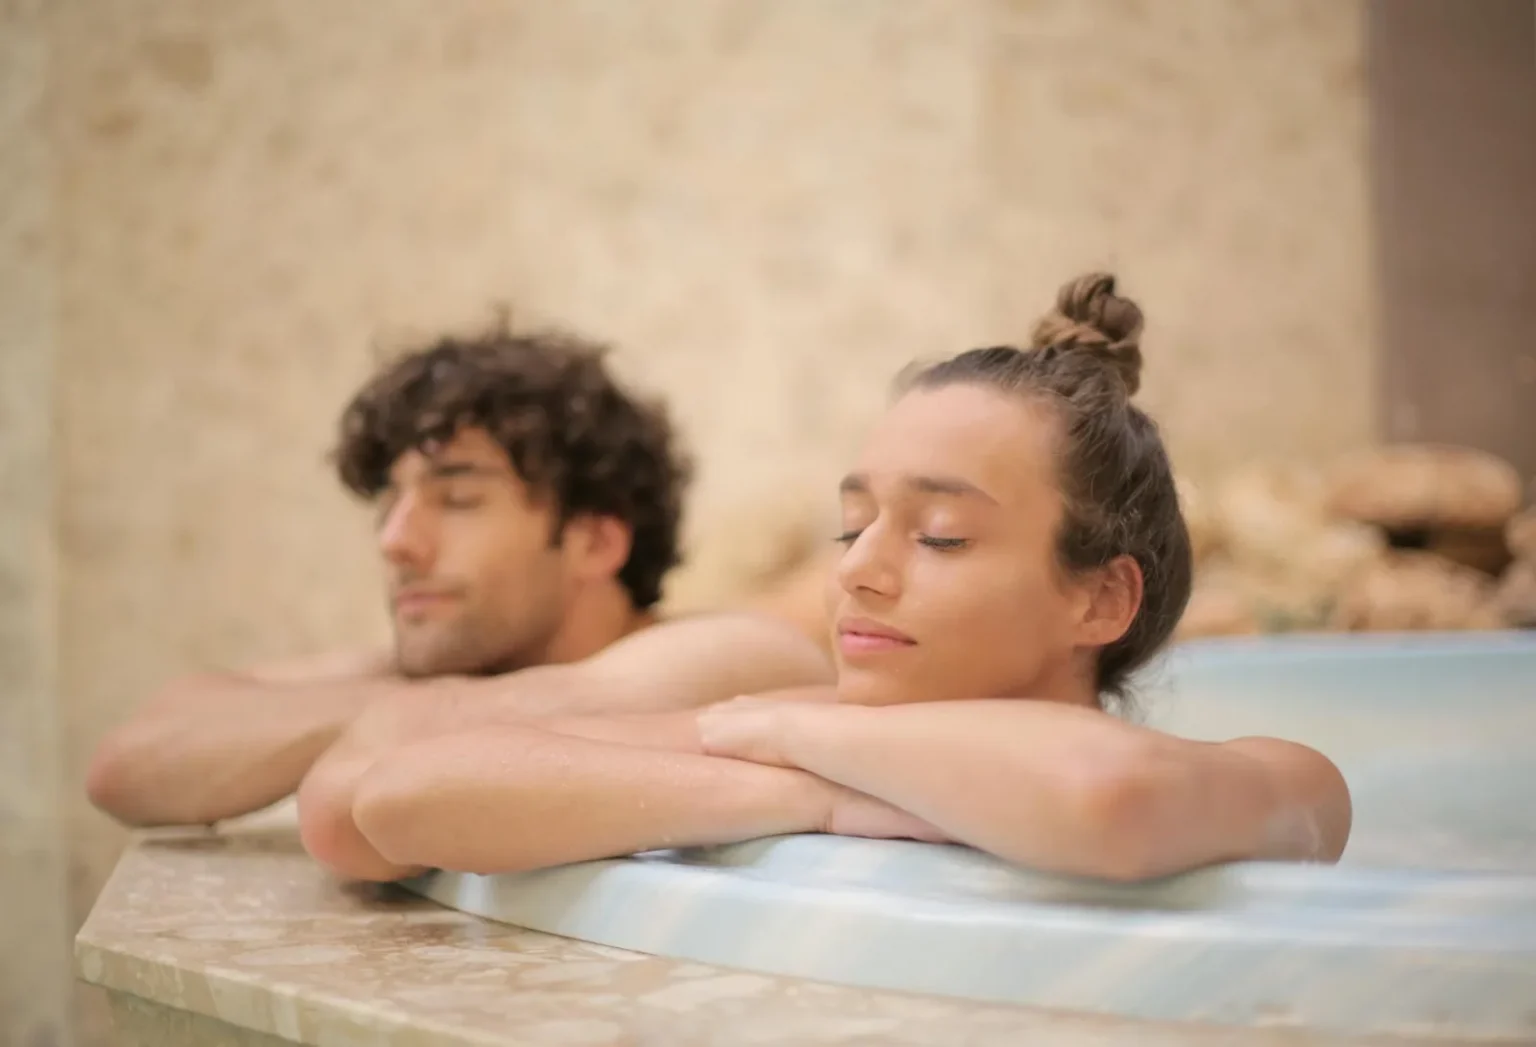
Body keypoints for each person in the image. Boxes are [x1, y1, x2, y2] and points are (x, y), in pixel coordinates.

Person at [299, 274, 1353, 885]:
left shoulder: (1280, 777)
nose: (857, 572)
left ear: (1101, 599)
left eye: (937, 537)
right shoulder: (794, 728)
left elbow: (1107, 800)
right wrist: (812, 791)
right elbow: (385, 802)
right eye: (852, 526)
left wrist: (799, 744)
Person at [85, 323, 834, 828]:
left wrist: (398, 706)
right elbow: (126, 767)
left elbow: (541, 711)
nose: (396, 539)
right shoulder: (457, 664)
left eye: (459, 497)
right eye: (391, 499)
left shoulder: (731, 653)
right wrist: (408, 698)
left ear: (595, 541)